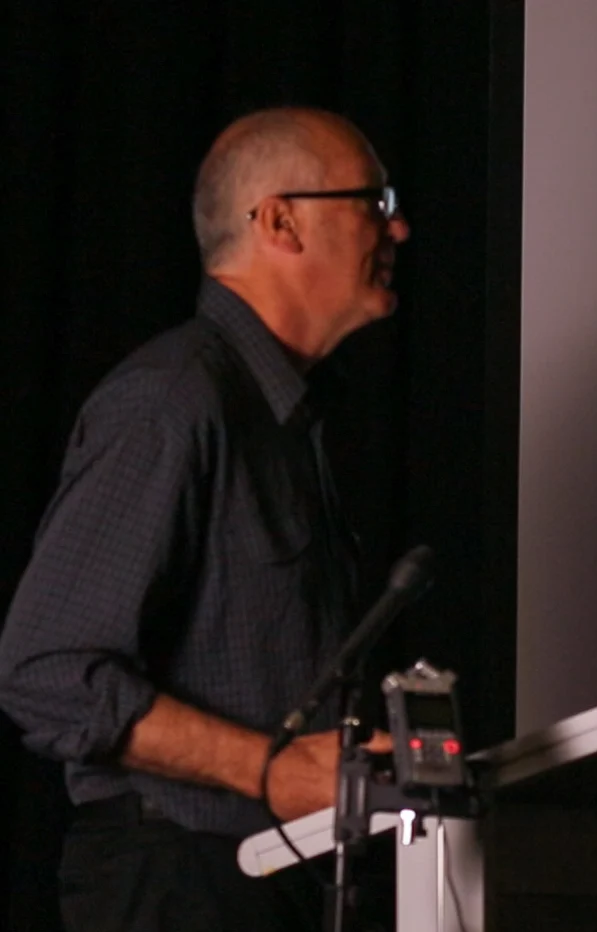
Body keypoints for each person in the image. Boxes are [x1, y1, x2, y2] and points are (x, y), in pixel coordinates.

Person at [0, 106, 411, 932]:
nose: (398, 227)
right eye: (372, 200)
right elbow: (47, 673)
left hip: (268, 887)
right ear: (280, 221)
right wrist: (271, 770)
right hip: (180, 885)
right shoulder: (173, 401)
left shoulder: (283, 418)